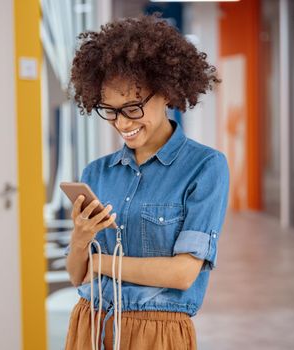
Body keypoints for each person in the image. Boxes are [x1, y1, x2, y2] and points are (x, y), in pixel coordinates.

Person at [63, 14, 229, 350]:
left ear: (166, 93)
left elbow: (183, 273)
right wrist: (81, 240)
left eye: (133, 107)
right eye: (109, 110)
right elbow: (76, 275)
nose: (122, 122)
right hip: (90, 324)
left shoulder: (205, 168)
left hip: (156, 333)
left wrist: (101, 263)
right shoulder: (96, 173)